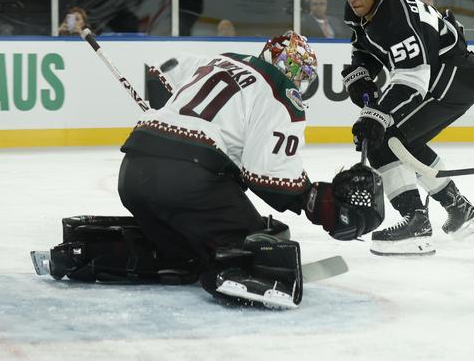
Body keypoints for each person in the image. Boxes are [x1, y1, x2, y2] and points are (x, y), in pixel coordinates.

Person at [42, 31, 384, 309]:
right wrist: (318, 203)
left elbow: (163, 69)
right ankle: (236, 273)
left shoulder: (219, 60)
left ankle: (93, 254)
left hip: (133, 172)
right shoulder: (281, 96)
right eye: (298, 73)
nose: (298, 80)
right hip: (186, 180)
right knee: (253, 237)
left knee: (182, 252)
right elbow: (273, 180)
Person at [338, 0, 474, 256]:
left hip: (453, 77)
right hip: (446, 74)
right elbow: (365, 48)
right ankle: (459, 210)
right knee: (407, 142)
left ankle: (416, 224)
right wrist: (361, 75)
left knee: (386, 141)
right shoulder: (362, 6)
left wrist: (378, 116)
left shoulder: (396, 18)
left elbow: (413, 78)